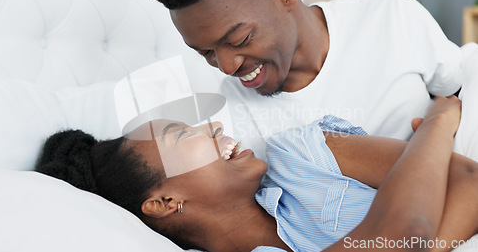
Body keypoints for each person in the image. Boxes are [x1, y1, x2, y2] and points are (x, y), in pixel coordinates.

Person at [35, 95, 478, 252]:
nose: (214, 126)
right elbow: (406, 234)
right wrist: (437, 125)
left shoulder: (300, 153)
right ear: (167, 203)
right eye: (181, 134)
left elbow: (471, 182)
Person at [143, 0, 478, 160]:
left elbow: (460, 88)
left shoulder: (391, 16)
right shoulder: (231, 116)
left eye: (241, 39)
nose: (227, 66)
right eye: (206, 53)